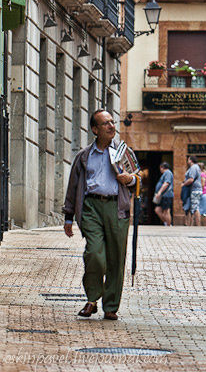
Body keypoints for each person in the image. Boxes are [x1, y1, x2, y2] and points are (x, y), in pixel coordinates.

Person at [62, 109, 137, 320]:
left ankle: (110, 306)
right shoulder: (84, 156)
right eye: (106, 123)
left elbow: (136, 180)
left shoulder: (124, 152)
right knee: (94, 254)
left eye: (112, 122)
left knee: (116, 258)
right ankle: (92, 299)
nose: (112, 126)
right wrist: (68, 216)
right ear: (95, 129)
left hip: (117, 208)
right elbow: (73, 186)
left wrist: (128, 180)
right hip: (91, 208)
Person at [184, 155, 202, 226]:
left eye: (188, 159)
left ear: (191, 160)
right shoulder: (196, 167)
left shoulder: (193, 167)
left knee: (195, 208)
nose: (187, 161)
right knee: (193, 207)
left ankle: (198, 225)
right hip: (196, 190)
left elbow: (191, 179)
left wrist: (184, 184)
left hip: (195, 190)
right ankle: (192, 224)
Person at [153, 162, 173, 226]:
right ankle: (166, 223)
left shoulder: (168, 173)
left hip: (166, 195)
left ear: (162, 167)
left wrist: (159, 192)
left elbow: (166, 183)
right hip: (163, 196)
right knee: (157, 210)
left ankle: (168, 225)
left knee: (166, 211)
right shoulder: (165, 174)